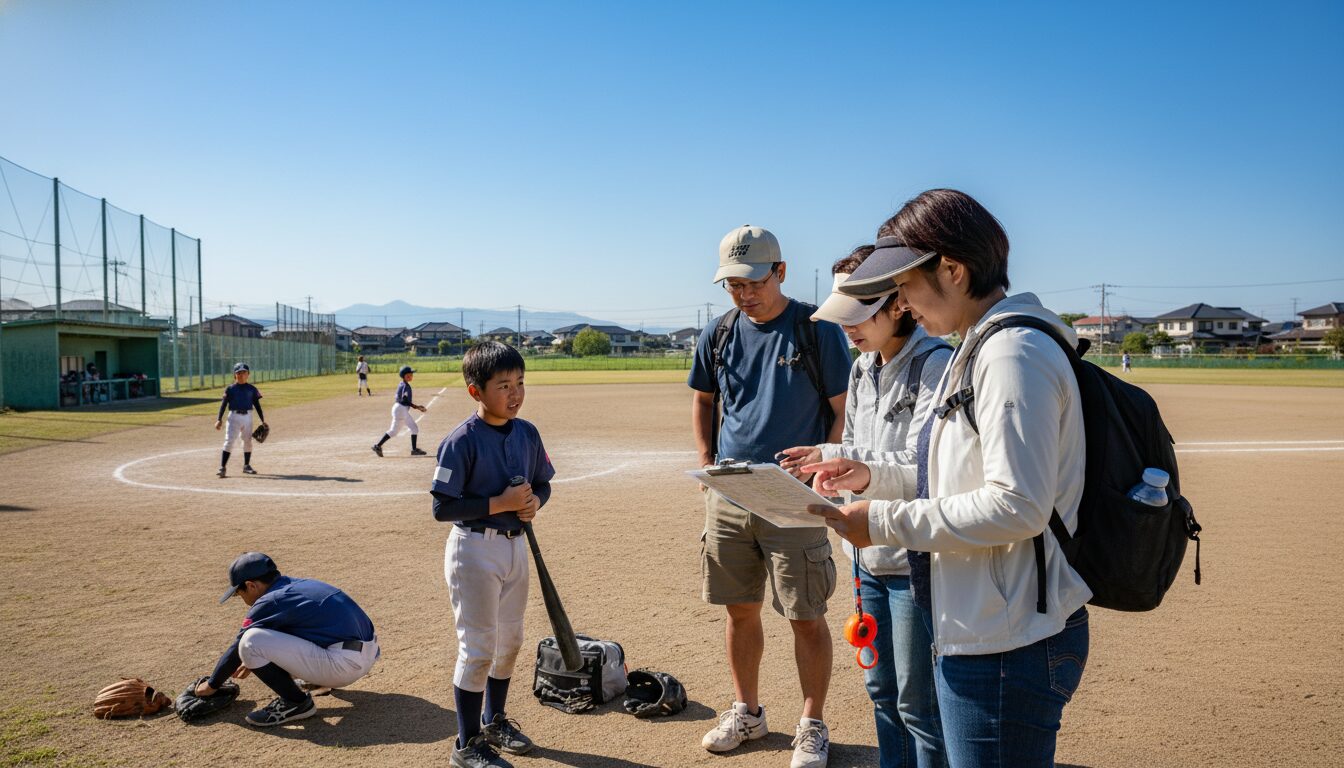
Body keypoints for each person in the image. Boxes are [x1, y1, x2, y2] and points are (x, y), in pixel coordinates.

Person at [804, 189, 1091, 768]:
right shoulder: (984, 346)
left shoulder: (1012, 354)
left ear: (953, 271)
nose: (904, 302)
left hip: (1009, 641)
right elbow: (950, 478)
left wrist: (880, 520)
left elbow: (1017, 506)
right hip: (989, 625)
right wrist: (871, 475)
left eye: (907, 285)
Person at [779, 245, 952, 768]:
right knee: (881, 688)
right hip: (867, 557)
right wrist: (829, 465)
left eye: (858, 317)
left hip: (913, 556)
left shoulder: (934, 363)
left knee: (917, 703)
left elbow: (925, 463)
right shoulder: (861, 369)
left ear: (897, 304)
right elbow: (853, 442)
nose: (848, 329)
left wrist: (848, 460)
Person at [688, 225, 852, 768]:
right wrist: (707, 461)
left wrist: (820, 470)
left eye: (753, 281)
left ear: (779, 271)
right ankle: (748, 712)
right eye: (732, 284)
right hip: (731, 492)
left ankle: (811, 724)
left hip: (794, 496)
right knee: (740, 611)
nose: (743, 293)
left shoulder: (816, 330)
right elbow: (705, 401)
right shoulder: (719, 332)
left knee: (805, 613)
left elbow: (840, 411)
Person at [430, 341, 555, 768]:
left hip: (515, 547)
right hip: (474, 550)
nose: (515, 394)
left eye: (520, 383)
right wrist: (499, 503)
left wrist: (535, 501)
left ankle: (495, 719)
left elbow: (543, 483)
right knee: (479, 647)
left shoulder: (528, 432)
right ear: (476, 392)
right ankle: (466, 744)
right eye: (504, 385)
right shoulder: (460, 441)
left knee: (511, 641)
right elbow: (441, 507)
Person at [192, 552, 379, 726]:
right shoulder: (299, 586)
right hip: (366, 654)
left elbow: (239, 647)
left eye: (238, 593)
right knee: (272, 635)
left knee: (250, 642)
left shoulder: (270, 600)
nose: (240, 598)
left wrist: (211, 685)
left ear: (251, 585)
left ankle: (296, 702)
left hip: (343, 665)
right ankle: (317, 681)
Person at [215, 362, 265, 478]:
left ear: (248, 374)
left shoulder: (252, 389)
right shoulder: (230, 389)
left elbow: (257, 405)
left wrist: (263, 420)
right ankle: (222, 467)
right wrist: (219, 419)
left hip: (248, 416)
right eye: (239, 373)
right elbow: (223, 405)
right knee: (229, 441)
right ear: (235, 375)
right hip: (234, 417)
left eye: (244, 372)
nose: (241, 375)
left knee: (247, 441)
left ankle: (246, 466)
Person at [372, 365, 426, 457]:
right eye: (409, 374)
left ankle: (378, 446)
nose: (411, 376)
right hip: (401, 409)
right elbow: (404, 400)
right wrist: (417, 407)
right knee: (414, 428)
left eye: (411, 374)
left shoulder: (401, 383)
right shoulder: (406, 386)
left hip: (397, 408)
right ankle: (414, 450)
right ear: (405, 376)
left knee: (393, 431)